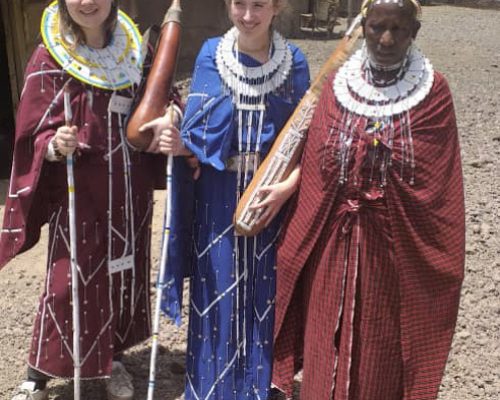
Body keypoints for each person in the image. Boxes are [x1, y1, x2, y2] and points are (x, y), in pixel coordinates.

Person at [271, 0, 465, 399]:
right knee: (327, 335)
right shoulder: (340, 84)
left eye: (398, 28)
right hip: (332, 243)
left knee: (379, 349)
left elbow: (438, 186)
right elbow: (318, 162)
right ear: (363, 27)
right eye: (377, 27)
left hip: (391, 251)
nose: (387, 39)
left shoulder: (432, 91)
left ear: (415, 32)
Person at [0, 1, 180, 399]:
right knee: (69, 281)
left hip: (129, 189)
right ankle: (39, 371)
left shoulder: (137, 50)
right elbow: (31, 130)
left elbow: (163, 98)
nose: (87, 2)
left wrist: (171, 118)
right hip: (78, 188)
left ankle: (110, 359)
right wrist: (53, 143)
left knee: (121, 273)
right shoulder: (50, 56)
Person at [148, 0, 309, 398]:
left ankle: (259, 385)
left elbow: (309, 138)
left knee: (266, 291)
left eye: (259, 5)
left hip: (272, 198)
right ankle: (210, 387)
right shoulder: (210, 56)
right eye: (240, 4)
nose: (248, 16)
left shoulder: (295, 63)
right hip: (216, 196)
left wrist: (289, 186)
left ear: (277, 8)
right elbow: (199, 129)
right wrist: (180, 141)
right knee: (217, 288)